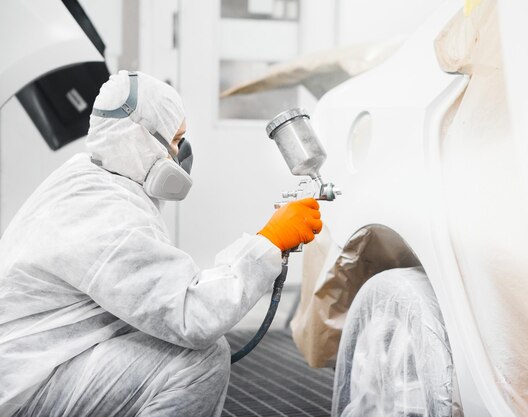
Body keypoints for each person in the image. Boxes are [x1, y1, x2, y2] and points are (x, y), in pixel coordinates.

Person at [0, 70, 322, 417]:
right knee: (202, 361)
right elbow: (191, 315)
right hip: (28, 388)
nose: (181, 153)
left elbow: (156, 294)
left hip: (36, 364)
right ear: (141, 140)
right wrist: (269, 243)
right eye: (176, 139)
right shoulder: (107, 215)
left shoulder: (89, 177)